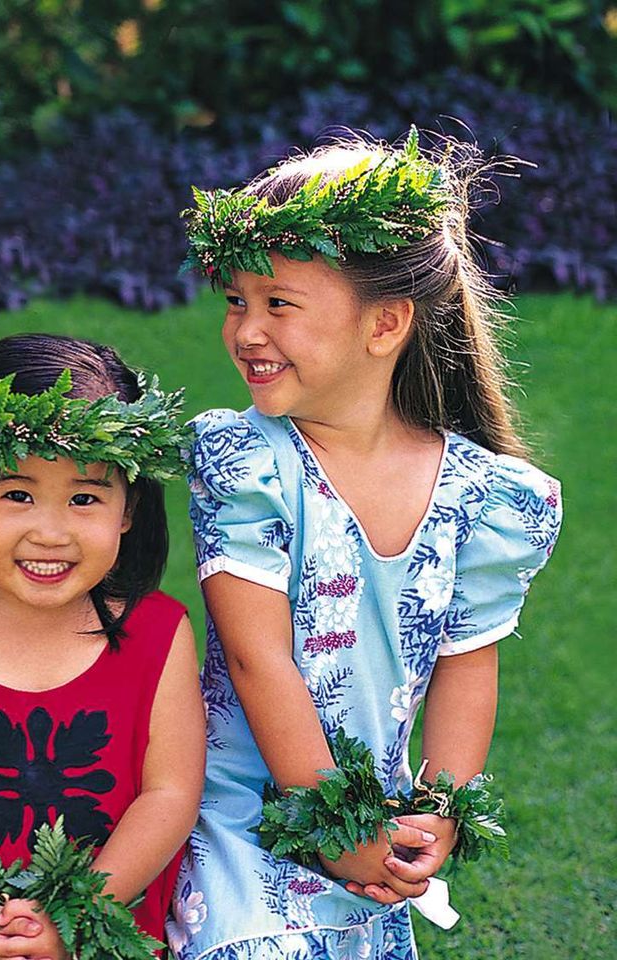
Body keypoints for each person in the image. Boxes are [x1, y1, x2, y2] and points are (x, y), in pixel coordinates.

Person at [168, 130, 564, 958]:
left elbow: (468, 663)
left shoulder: (479, 498)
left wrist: (440, 804)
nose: (246, 330)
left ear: (385, 324)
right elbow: (256, 659)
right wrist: (324, 819)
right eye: (236, 301)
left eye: (279, 303)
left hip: (369, 838)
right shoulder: (251, 464)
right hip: (241, 816)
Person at [0, 334, 206, 959]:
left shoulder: (159, 633)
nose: (50, 533)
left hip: (101, 926)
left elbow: (169, 795)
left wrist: (78, 911)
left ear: (128, 505)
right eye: (17, 495)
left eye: (84, 498)